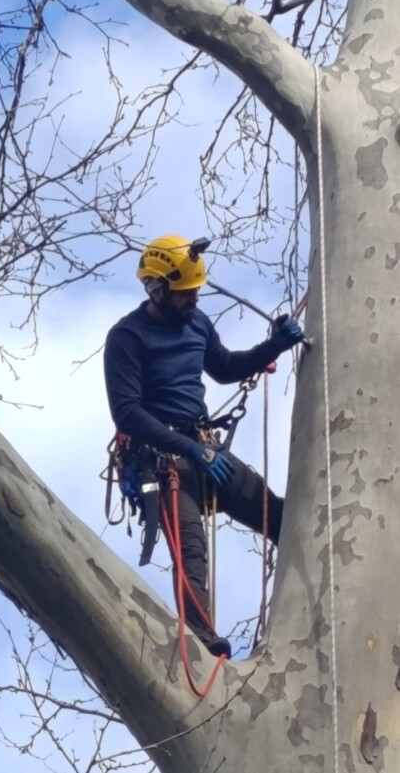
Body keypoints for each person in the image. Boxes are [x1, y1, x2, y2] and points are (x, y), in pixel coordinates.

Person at [103, 234, 304, 657]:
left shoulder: (196, 324)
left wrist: (274, 345)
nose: (193, 299)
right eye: (184, 294)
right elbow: (127, 413)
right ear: (157, 291)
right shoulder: (126, 337)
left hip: (203, 447)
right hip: (165, 462)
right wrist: (191, 451)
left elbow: (225, 367)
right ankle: (202, 644)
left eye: (196, 291)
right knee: (191, 555)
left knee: (278, 515)